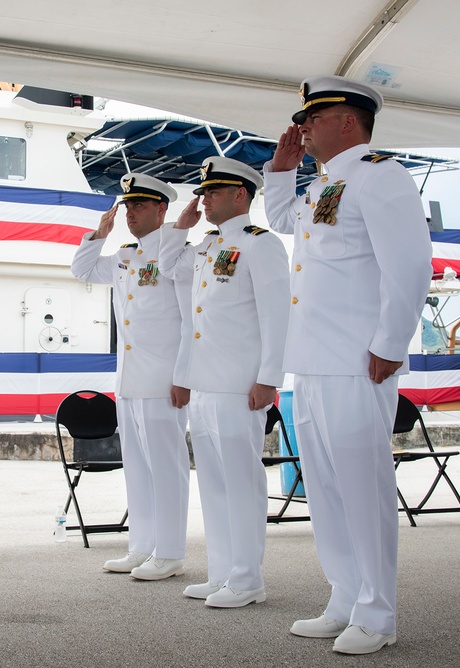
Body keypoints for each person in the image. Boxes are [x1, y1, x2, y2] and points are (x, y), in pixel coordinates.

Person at [263, 76, 432, 654]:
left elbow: (409, 264)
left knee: (364, 489)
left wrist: (391, 342)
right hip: (310, 364)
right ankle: (344, 597)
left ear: (348, 122)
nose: (303, 127)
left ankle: (377, 614)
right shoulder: (320, 188)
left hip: (360, 363)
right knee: (328, 492)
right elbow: (283, 221)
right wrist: (281, 170)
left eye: (314, 117)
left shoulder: (380, 174)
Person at [159, 156, 289, 608]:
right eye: (204, 190)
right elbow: (166, 269)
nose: (204, 197)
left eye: (213, 191)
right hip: (205, 384)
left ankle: (248, 579)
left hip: (239, 385)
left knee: (241, 482)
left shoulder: (261, 244)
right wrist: (181, 225)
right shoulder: (206, 246)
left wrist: (269, 378)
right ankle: (222, 574)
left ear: (240, 195)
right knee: (213, 484)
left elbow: (277, 314)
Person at [71, 173, 193, 581]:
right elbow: (83, 270)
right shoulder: (125, 256)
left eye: (140, 205)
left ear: (162, 209)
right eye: (127, 206)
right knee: (138, 468)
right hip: (129, 381)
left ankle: (171, 552)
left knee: (167, 466)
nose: (130, 213)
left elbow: (190, 321)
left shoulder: (178, 255)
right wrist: (99, 233)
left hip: (164, 381)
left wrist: (183, 376)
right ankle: (142, 546)